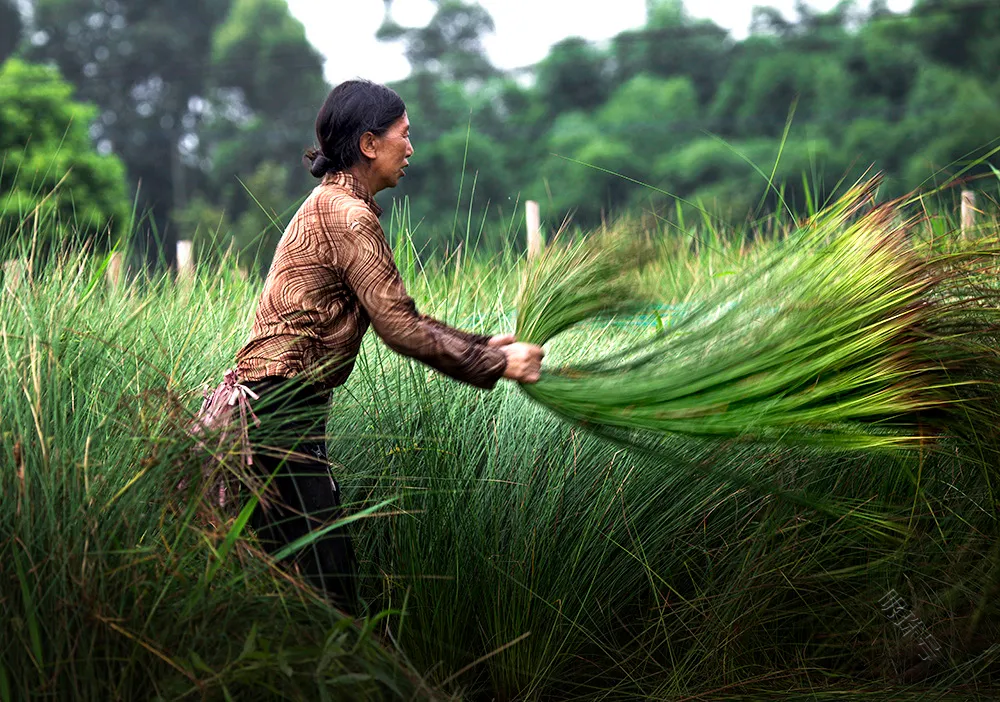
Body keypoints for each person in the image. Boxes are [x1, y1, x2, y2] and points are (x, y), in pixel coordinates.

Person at [220, 79, 544, 613]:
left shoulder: (336, 205)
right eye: (404, 135)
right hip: (278, 413)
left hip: (275, 411)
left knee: (302, 582)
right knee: (328, 586)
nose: (411, 148)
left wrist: (485, 344)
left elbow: (401, 315)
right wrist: (498, 363)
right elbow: (400, 330)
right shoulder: (347, 215)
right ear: (370, 144)